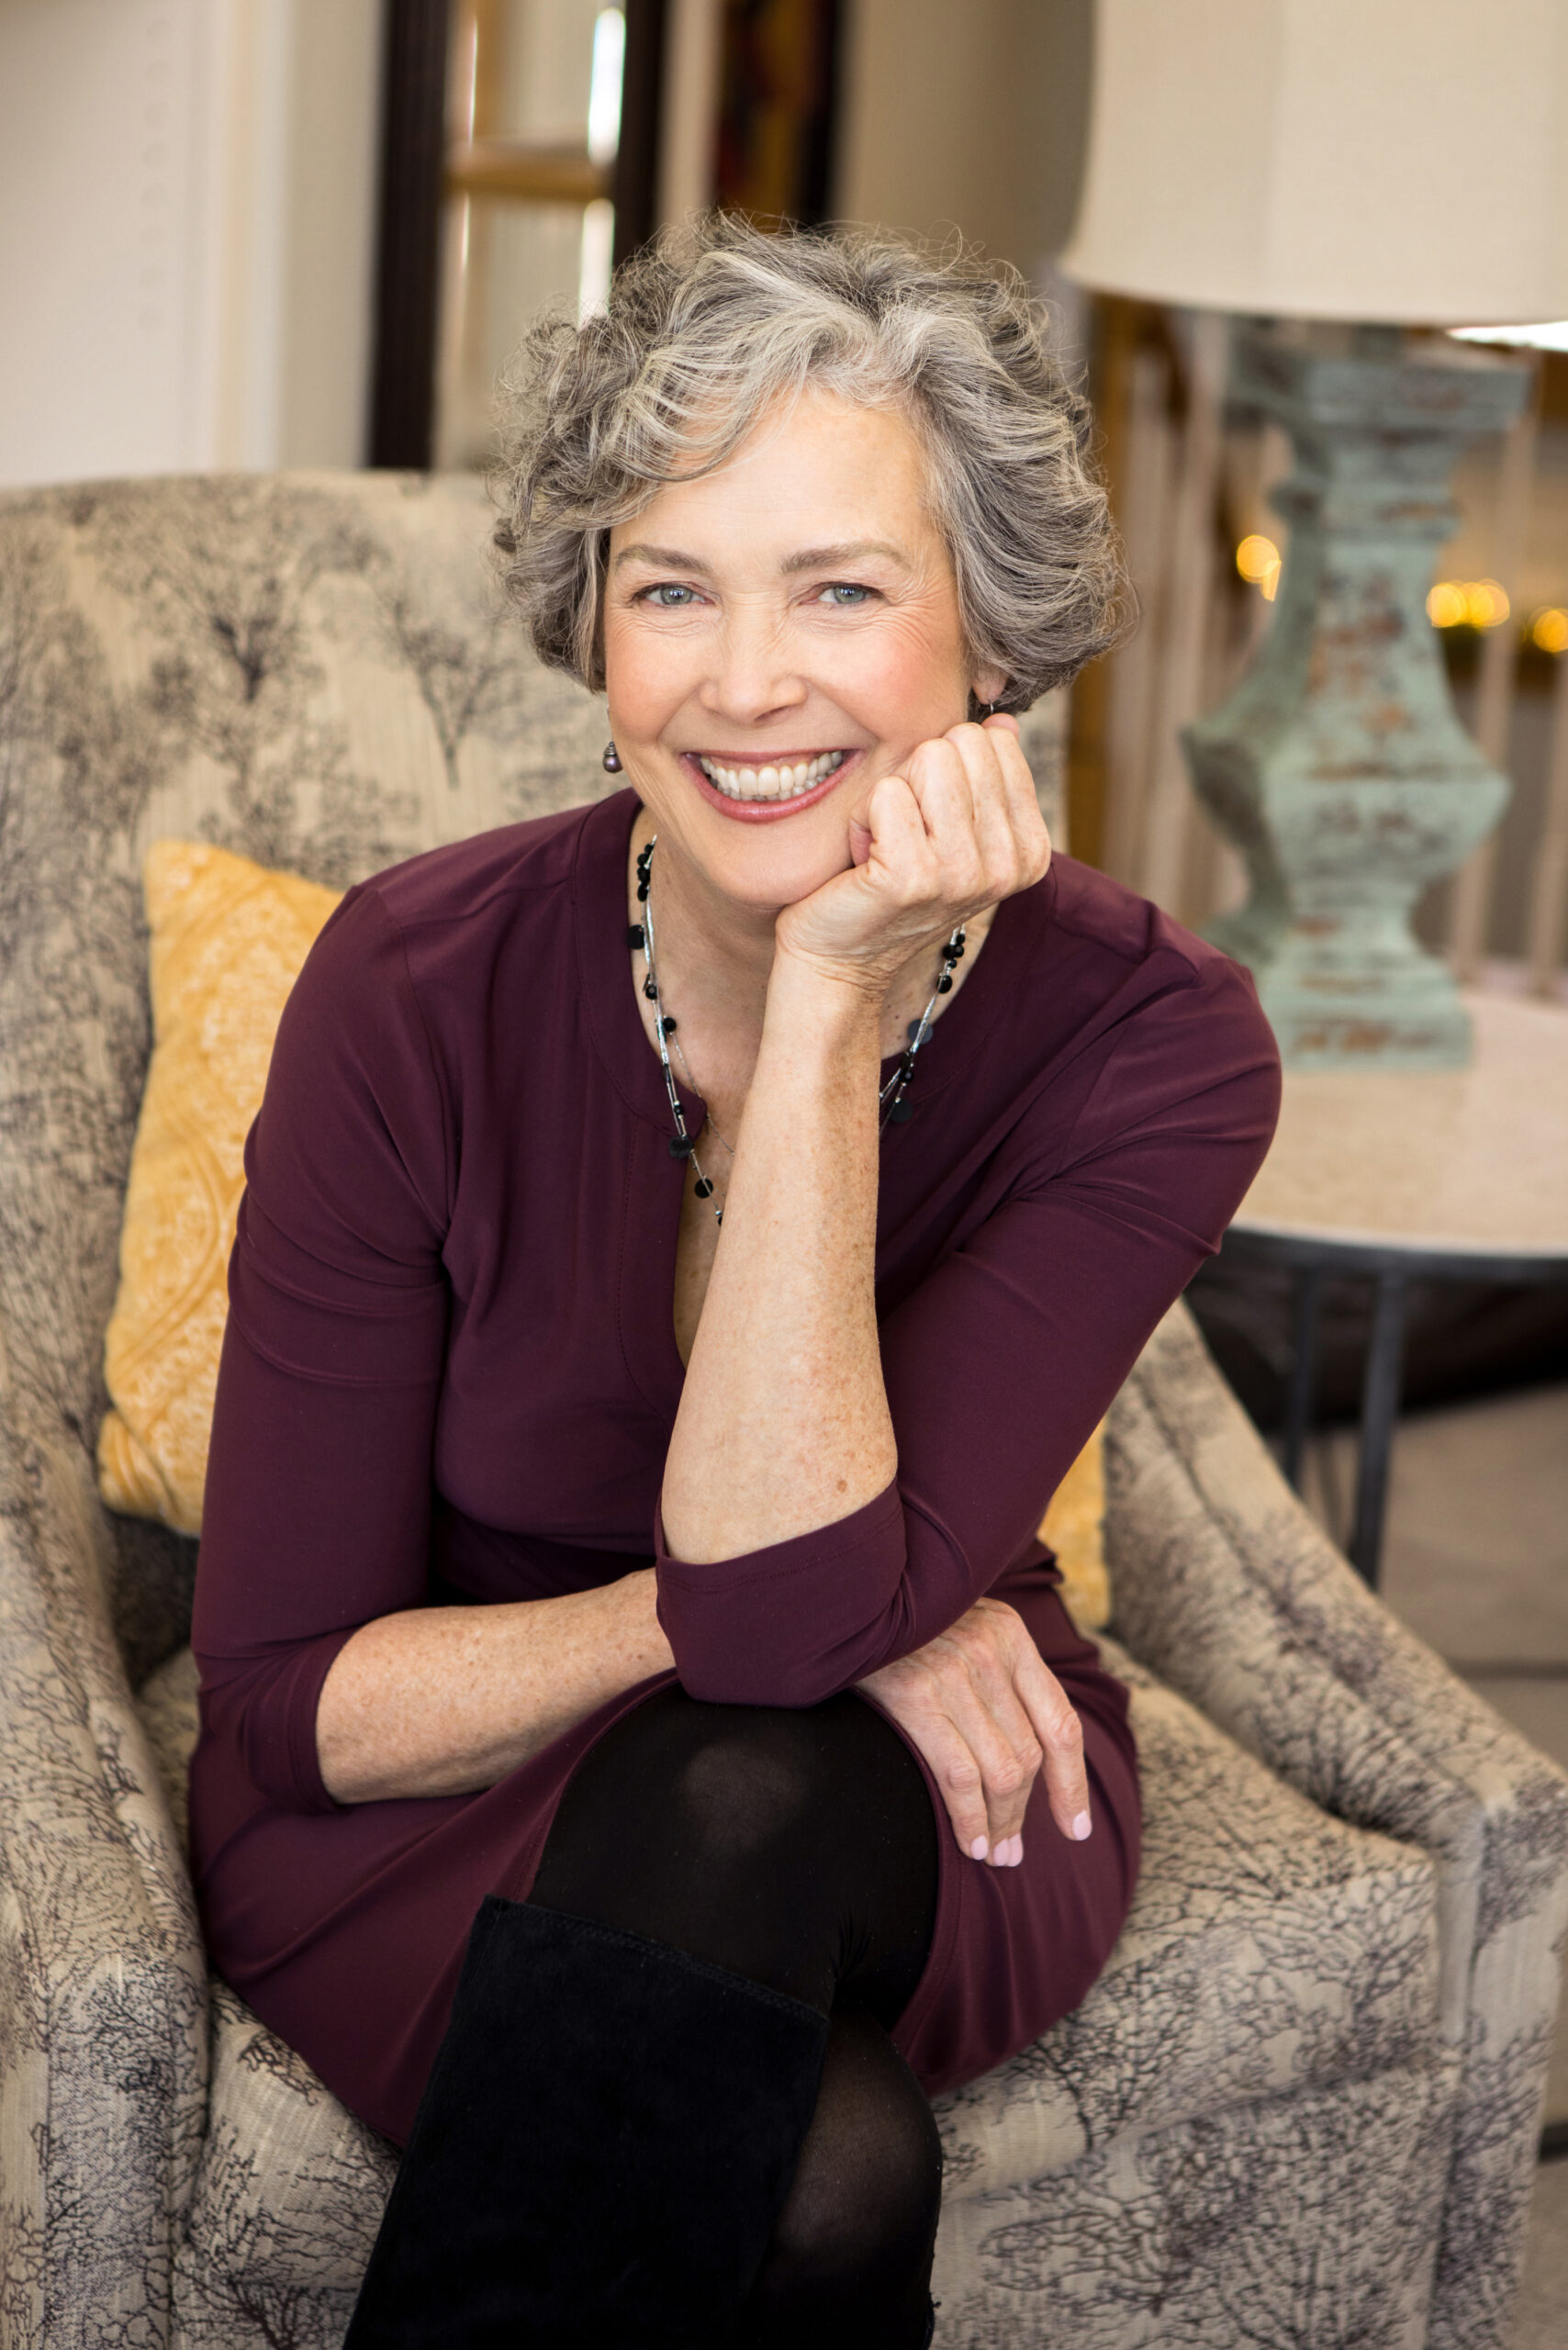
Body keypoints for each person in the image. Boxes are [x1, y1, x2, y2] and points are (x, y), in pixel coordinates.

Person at [188, 217, 1280, 2348]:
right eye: (670, 586)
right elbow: (294, 1708)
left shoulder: (1155, 1043)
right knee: (814, 2167)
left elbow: (785, 1626)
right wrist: (790, 1618)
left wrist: (830, 1002)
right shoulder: (407, 987)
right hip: (433, 1791)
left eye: (841, 589)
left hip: (906, 1793)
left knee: (750, 1777)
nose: (743, 680)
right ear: (592, 624)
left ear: (987, 639)